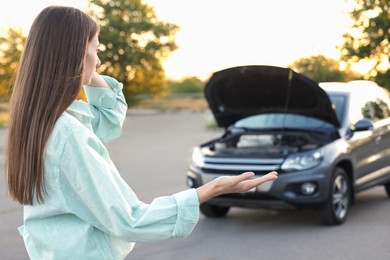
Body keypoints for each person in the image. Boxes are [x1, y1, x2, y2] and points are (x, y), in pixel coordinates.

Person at [6, 5, 278, 260]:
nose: (99, 62)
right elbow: (129, 219)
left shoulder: (42, 122)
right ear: (75, 54)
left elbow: (109, 120)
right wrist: (212, 189)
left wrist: (76, 63)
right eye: (96, 50)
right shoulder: (66, 134)